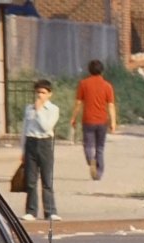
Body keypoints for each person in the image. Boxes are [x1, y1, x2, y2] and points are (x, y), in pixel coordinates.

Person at [19, 79, 60, 221]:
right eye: (38, 92)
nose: (40, 95)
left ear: (49, 94)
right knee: (30, 180)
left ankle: (50, 211)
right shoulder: (28, 108)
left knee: (47, 179)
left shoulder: (53, 109)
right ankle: (31, 210)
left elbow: (46, 127)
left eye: (43, 92)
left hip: (45, 143)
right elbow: (24, 129)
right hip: (31, 142)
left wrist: (39, 111)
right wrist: (23, 150)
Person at [70, 59, 116, 180]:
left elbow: (78, 103)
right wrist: (113, 122)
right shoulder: (107, 86)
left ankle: (91, 160)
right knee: (100, 147)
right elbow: (111, 105)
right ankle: (98, 173)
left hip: (88, 120)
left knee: (88, 145)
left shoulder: (83, 84)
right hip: (102, 121)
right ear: (102, 71)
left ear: (89, 70)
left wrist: (73, 117)